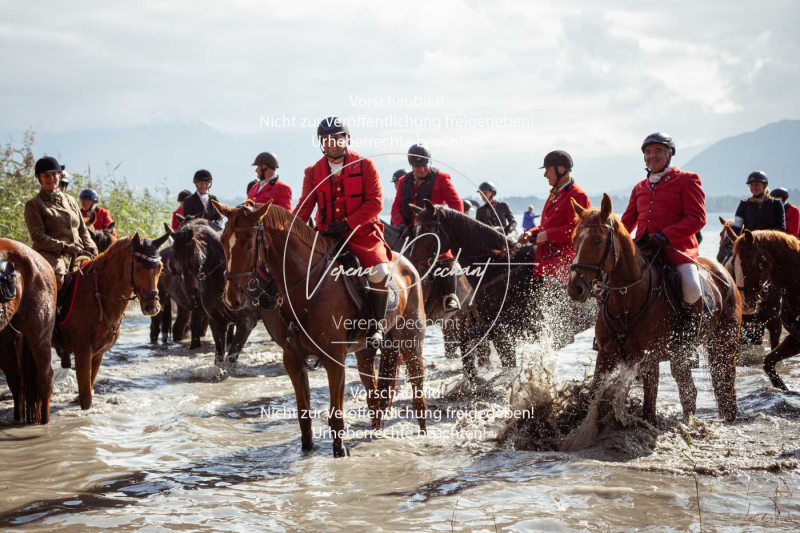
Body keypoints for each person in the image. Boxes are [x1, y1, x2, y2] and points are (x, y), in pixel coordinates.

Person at [294, 117, 394, 347]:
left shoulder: (365, 164)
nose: (332, 143)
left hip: (362, 233)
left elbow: (376, 203)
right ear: (321, 142)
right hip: (326, 236)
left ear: (346, 139)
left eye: (337, 138)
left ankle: (375, 325)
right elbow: (305, 207)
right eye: (327, 139)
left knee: (379, 271)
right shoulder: (312, 172)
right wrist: (289, 228)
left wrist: (349, 223)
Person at [620, 133, 706, 354]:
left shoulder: (688, 179)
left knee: (692, 287)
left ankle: (687, 341)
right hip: (644, 249)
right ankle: (612, 333)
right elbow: (627, 222)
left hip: (675, 249)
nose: (652, 156)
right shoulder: (639, 186)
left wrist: (667, 235)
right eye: (648, 152)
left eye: (657, 151)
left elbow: (697, 218)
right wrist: (618, 242)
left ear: (669, 154)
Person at [25, 157, 99, 369]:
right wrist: (64, 248)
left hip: (78, 252)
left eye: (54, 174)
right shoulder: (34, 204)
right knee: (57, 279)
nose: (52, 178)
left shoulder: (70, 200)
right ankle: (55, 329)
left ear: (59, 175)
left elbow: (83, 230)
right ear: (39, 179)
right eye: (47, 176)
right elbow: (38, 236)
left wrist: (92, 248)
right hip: (53, 254)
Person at [390, 144, 464, 310]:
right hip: (408, 230)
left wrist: (447, 224)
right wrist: (399, 223)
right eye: (418, 166)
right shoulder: (403, 181)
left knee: (445, 257)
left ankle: (449, 296)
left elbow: (456, 204)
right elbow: (395, 207)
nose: (422, 169)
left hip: (433, 231)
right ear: (412, 166)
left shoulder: (442, 178)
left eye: (425, 165)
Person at [518, 150, 590, 283]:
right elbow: (547, 226)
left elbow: (577, 230)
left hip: (563, 261)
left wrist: (547, 235)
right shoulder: (555, 193)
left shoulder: (577, 195)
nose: (545, 174)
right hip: (545, 258)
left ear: (561, 169)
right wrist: (530, 233)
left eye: (547, 170)